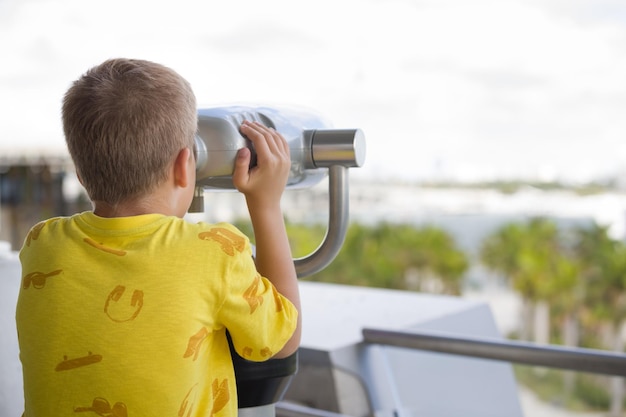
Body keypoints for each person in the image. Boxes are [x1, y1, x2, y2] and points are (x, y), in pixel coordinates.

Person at [15, 58, 301, 417]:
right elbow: (282, 342)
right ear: (186, 165)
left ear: (81, 174)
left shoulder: (42, 244)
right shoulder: (214, 254)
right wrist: (266, 206)